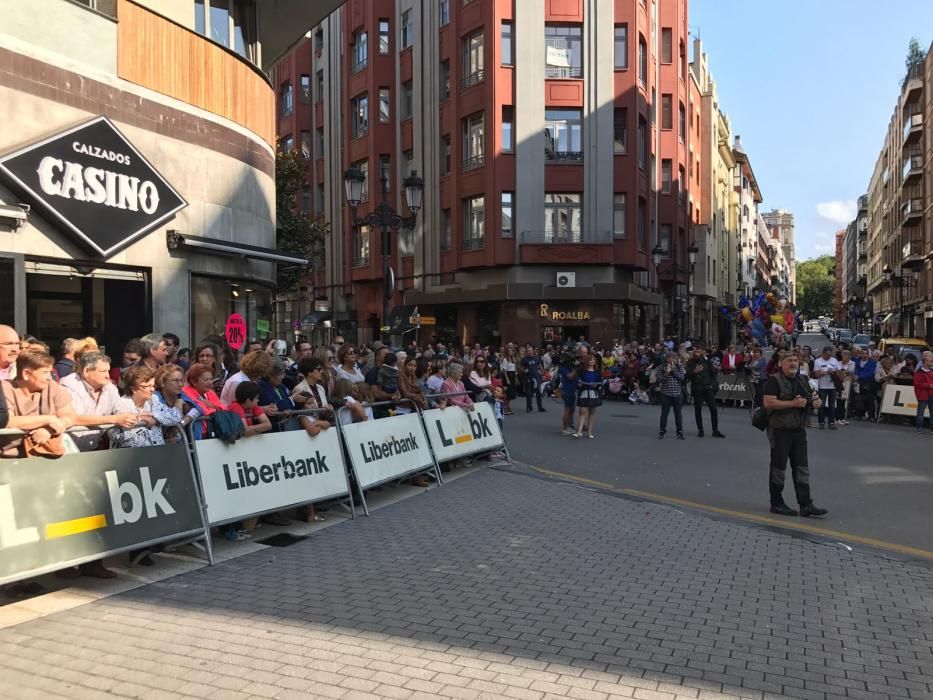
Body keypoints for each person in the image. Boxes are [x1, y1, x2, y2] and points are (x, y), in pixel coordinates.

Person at [762, 353, 827, 518]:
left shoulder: (802, 380)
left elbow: (808, 400)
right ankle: (776, 503)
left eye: (795, 361)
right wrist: (793, 403)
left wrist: (814, 403)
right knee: (779, 468)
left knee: (802, 468)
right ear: (780, 363)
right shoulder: (773, 380)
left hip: (798, 431)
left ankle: (806, 504)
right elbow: (768, 402)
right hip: (780, 430)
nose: (793, 363)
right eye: (789, 360)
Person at [60, 351, 139, 450]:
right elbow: (76, 418)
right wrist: (115, 419)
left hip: (92, 450)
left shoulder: (109, 387)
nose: (108, 376)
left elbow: (122, 411)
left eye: (108, 371)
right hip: (65, 451)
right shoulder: (69, 386)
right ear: (86, 371)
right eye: (103, 371)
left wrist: (137, 416)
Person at [109, 365, 179, 448]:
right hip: (131, 455)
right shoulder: (121, 404)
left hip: (157, 452)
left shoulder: (153, 400)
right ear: (133, 388)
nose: (152, 389)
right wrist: (141, 421)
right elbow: (116, 436)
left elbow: (176, 416)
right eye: (147, 386)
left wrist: (154, 418)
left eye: (153, 386)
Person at [181, 362, 228, 439]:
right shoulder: (186, 392)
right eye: (206, 379)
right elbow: (200, 409)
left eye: (210, 379)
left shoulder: (210, 392)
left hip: (213, 431)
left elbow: (224, 409)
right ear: (194, 381)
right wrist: (214, 409)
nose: (210, 382)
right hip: (196, 434)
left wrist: (212, 406)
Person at [686, 345, 724, 438]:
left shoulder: (707, 361)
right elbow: (688, 375)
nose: (697, 353)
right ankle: (700, 430)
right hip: (697, 388)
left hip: (707, 388)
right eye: (695, 351)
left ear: (702, 352)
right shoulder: (690, 362)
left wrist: (711, 384)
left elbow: (713, 372)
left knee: (713, 408)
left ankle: (715, 430)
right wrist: (695, 371)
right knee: (698, 409)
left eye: (699, 351)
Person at [152, 364, 189, 442]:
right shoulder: (155, 397)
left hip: (179, 444)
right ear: (163, 382)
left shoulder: (181, 394)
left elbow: (198, 409)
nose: (180, 384)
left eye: (181, 380)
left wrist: (181, 423)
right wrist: (179, 403)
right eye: (175, 381)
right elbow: (169, 418)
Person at [657, 352, 686, 440]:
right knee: (664, 414)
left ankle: (679, 431)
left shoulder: (679, 366)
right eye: (670, 358)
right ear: (667, 358)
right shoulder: (661, 367)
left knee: (678, 414)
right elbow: (660, 380)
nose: (672, 359)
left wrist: (673, 372)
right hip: (666, 393)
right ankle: (662, 430)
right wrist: (666, 373)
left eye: (673, 358)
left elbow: (682, 378)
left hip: (677, 393)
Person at [812, 346, 842, 430]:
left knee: (832, 405)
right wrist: (826, 372)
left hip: (832, 386)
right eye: (827, 355)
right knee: (821, 405)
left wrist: (835, 372)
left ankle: (831, 422)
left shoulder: (834, 361)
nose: (828, 357)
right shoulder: (818, 361)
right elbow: (816, 375)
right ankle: (821, 422)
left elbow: (839, 373)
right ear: (823, 354)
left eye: (830, 355)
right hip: (822, 386)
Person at [573, 354, 602, 439]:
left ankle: (589, 432)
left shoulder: (597, 372)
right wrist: (580, 383)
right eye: (590, 360)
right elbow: (578, 380)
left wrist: (596, 385)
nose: (592, 361)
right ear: (587, 361)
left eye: (593, 360)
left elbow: (600, 382)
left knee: (592, 413)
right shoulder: (583, 371)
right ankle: (579, 431)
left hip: (593, 393)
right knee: (582, 411)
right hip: (584, 392)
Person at [520, 346, 545, 413]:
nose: (530, 352)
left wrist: (543, 375)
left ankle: (540, 407)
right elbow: (520, 367)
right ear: (527, 352)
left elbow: (540, 366)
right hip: (528, 377)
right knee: (529, 393)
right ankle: (529, 407)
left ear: (533, 351)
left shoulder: (536, 357)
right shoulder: (524, 359)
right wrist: (524, 370)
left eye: (531, 350)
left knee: (538, 393)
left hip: (536, 377)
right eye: (528, 351)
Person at [913, 351, 933, 434]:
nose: (932, 362)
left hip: (931, 394)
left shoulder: (932, 370)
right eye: (931, 361)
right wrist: (929, 385)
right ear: (925, 361)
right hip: (923, 394)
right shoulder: (919, 371)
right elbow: (917, 384)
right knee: (920, 411)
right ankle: (919, 427)